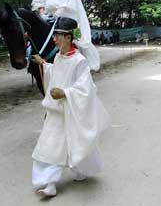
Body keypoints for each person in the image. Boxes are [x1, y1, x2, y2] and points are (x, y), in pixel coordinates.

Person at [31, 17, 110, 198]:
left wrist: (65, 93)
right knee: (50, 145)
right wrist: (44, 64)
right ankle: (50, 184)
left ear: (68, 37)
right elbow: (56, 71)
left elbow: (85, 88)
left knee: (74, 142)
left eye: (57, 35)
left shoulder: (80, 61)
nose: (54, 39)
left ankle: (79, 171)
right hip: (56, 111)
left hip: (70, 110)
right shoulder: (59, 56)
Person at [31, 0, 101, 71]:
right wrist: (41, 9)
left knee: (76, 37)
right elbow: (37, 1)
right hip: (47, 17)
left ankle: (78, 62)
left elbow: (69, 1)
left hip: (66, 15)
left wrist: (58, 13)